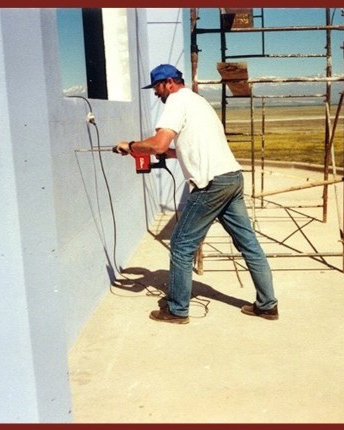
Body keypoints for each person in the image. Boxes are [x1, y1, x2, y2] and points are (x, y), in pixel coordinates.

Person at [115, 64, 278, 324]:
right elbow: (177, 149)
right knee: (248, 243)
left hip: (211, 183)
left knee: (181, 244)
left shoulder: (176, 102)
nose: (156, 93)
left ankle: (177, 310)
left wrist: (131, 145)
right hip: (232, 178)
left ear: (169, 83)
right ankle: (267, 305)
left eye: (157, 87)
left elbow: (158, 145)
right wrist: (140, 150)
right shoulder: (197, 101)